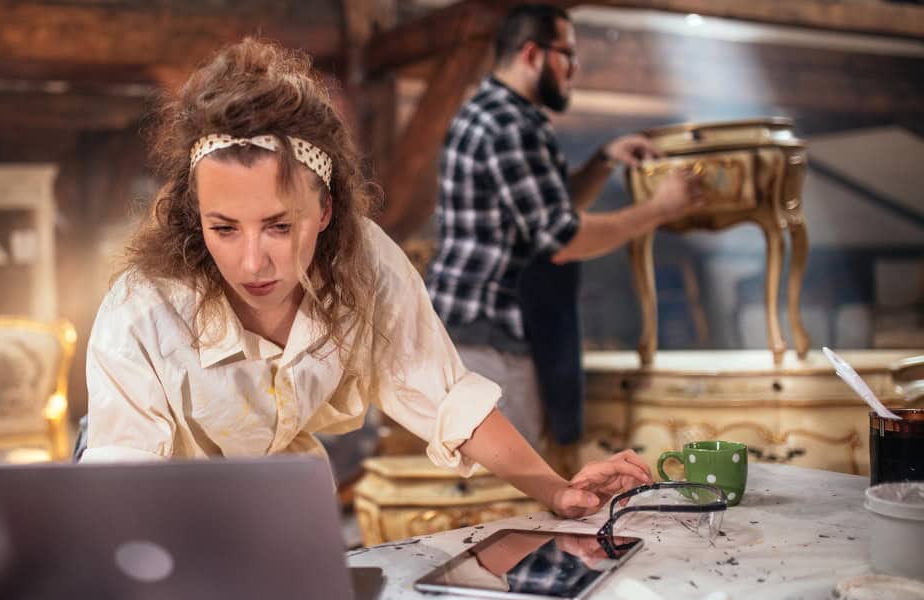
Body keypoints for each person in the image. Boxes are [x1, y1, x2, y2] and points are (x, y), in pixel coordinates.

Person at [81, 37, 651, 518]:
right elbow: (122, 490)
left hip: (277, 501)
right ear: (193, 215)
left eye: (279, 226)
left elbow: (445, 393)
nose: (252, 262)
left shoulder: (366, 263)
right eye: (223, 228)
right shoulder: (142, 310)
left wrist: (556, 489)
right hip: (152, 508)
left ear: (326, 213)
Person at [425, 5, 705, 450]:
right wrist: (659, 209)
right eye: (567, 55)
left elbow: (543, 209)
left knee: (508, 485)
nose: (574, 68)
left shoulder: (500, 112)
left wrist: (602, 161)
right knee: (509, 489)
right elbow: (563, 238)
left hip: (480, 332)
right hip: (486, 339)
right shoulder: (508, 124)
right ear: (533, 54)